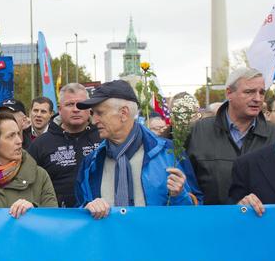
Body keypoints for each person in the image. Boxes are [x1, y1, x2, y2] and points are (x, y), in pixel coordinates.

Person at [74, 81, 200, 218]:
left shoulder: (169, 153)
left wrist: (180, 196)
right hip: (109, 239)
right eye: (93, 113)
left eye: (100, 113)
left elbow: (197, 210)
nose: (93, 120)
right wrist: (86, 209)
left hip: (158, 238)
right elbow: (80, 210)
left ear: (123, 113)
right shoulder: (91, 163)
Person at [186, 67, 275, 206]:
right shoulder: (197, 132)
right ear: (229, 93)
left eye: (261, 92)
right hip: (211, 222)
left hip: (261, 222)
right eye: (249, 92)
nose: (257, 99)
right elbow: (186, 183)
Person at [28, 83, 102, 207]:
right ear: (59, 109)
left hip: (99, 217)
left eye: (81, 104)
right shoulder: (40, 144)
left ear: (89, 108)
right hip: (57, 219)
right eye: (69, 104)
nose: (76, 109)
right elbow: (27, 182)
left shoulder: (103, 138)